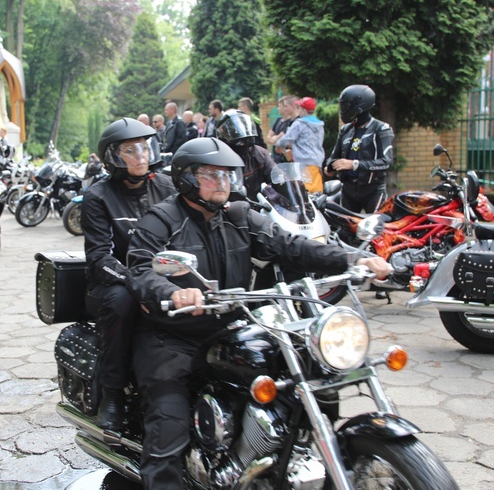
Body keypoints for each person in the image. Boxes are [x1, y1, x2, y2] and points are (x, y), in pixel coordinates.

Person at [125, 137, 392, 488]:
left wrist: (354, 259)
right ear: (186, 178)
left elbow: (292, 247)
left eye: (226, 175)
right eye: (211, 175)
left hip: (234, 325)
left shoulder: (239, 215)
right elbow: (140, 269)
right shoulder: (162, 219)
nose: (222, 182)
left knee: (310, 370)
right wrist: (174, 292)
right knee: (168, 425)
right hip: (173, 336)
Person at [82, 117, 176, 431]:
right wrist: (137, 285)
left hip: (160, 277)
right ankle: (112, 393)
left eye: (145, 148)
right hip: (112, 283)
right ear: (113, 156)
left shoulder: (167, 186)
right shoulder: (98, 196)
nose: (141, 156)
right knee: (123, 302)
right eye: (130, 151)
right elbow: (99, 258)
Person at [324, 84, 394, 214]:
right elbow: (334, 157)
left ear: (359, 107)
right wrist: (330, 167)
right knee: (345, 230)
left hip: (373, 190)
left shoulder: (381, 129)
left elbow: (386, 162)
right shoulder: (346, 130)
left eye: (346, 105)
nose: (343, 109)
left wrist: (354, 164)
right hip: (348, 190)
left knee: (374, 231)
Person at [215, 109, 276, 201]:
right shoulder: (217, 160)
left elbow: (277, 177)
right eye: (238, 141)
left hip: (257, 209)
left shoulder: (260, 154)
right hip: (227, 210)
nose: (243, 144)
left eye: (246, 140)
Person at [274, 97, 325, 193]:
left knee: (304, 193)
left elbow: (286, 139)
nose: (298, 110)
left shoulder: (299, 124)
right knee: (316, 193)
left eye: (300, 108)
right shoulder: (320, 125)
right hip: (317, 164)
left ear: (304, 110)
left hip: (303, 165)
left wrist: (278, 145)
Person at [266, 95, 298, 164]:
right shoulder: (277, 120)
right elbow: (268, 138)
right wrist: (276, 139)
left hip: (286, 160)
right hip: (276, 159)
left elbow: (284, 138)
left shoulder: (292, 122)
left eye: (280, 106)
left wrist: (275, 139)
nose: (278, 108)